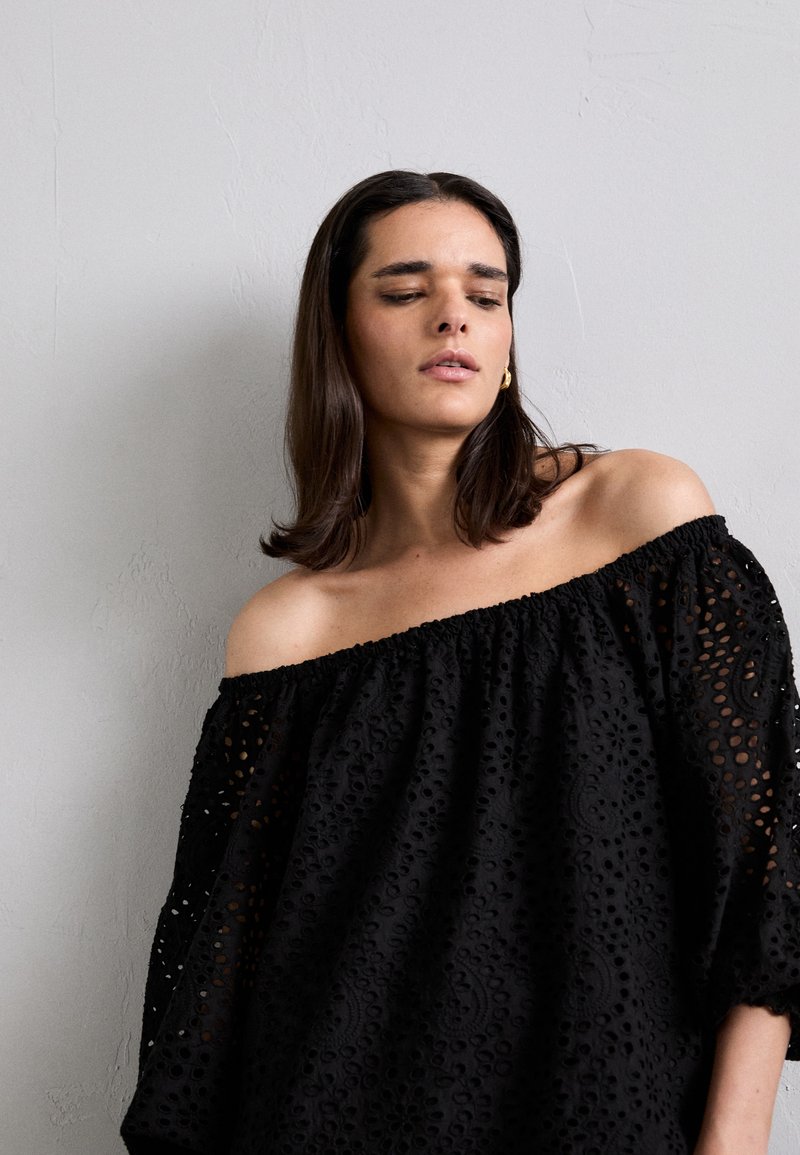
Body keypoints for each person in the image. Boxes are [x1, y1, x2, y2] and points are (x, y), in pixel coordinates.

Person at [121, 171, 799, 1155]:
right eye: (406, 291)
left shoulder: (638, 519)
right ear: (337, 339)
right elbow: (217, 993)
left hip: (598, 1119)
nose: (454, 316)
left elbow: (765, 872)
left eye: (486, 294)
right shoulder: (286, 632)